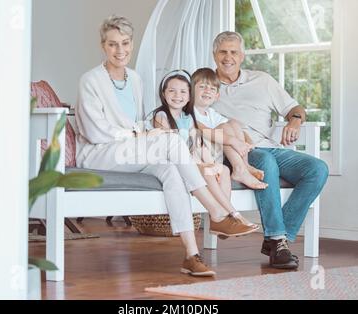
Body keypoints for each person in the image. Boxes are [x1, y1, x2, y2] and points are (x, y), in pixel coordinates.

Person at [75, 15, 251, 277]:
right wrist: (140, 134)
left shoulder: (134, 79)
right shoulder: (90, 80)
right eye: (113, 45)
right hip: (98, 152)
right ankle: (216, 211)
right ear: (103, 46)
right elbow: (95, 131)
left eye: (124, 43)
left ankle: (191, 255)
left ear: (132, 45)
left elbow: (137, 121)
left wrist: (144, 134)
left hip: (129, 150)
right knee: (169, 139)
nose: (120, 50)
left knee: (170, 170)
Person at [211, 31, 329, 269]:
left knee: (317, 168)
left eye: (234, 52)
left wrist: (294, 122)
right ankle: (277, 239)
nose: (228, 57)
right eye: (223, 51)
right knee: (264, 160)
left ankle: (278, 239)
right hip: (235, 152)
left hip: (270, 148)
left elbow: (295, 108)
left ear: (242, 55)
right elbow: (192, 117)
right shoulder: (206, 84)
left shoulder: (262, 80)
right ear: (214, 55)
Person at [151, 69, 259, 235]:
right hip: (174, 162)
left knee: (223, 170)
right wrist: (203, 165)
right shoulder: (161, 116)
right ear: (163, 94)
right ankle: (233, 214)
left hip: (192, 160)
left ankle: (222, 220)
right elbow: (171, 147)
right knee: (207, 171)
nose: (177, 95)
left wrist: (211, 163)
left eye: (182, 92)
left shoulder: (188, 118)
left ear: (189, 96)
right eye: (171, 91)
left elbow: (198, 145)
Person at [191, 67, 267, 190]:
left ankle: (244, 165)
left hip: (216, 152)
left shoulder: (211, 113)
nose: (207, 91)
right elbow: (203, 129)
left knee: (233, 123)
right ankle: (239, 169)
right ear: (191, 91)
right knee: (224, 128)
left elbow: (234, 127)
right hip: (202, 154)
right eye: (202, 87)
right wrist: (233, 141)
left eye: (212, 89)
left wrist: (248, 142)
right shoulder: (189, 112)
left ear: (216, 96)